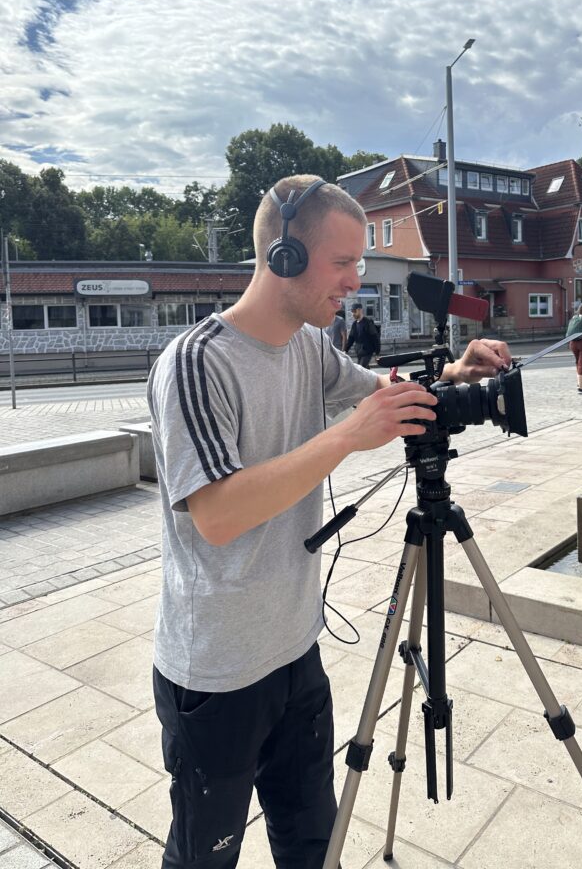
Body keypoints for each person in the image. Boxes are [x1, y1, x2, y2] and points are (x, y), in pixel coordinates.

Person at [148, 173, 514, 869]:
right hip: (217, 673)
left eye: (360, 262)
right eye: (343, 262)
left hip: (296, 650)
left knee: (315, 844)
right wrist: (346, 436)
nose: (356, 280)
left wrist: (456, 376)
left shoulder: (310, 346)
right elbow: (217, 515)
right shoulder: (196, 363)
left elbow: (383, 392)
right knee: (203, 858)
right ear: (282, 256)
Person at [344, 301, 379, 367]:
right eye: (352, 312)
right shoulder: (354, 324)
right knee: (364, 369)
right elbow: (351, 338)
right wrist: (346, 350)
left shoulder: (368, 322)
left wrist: (377, 352)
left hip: (367, 351)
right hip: (359, 352)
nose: (353, 314)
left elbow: (375, 337)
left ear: (360, 310)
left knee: (361, 367)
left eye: (354, 311)